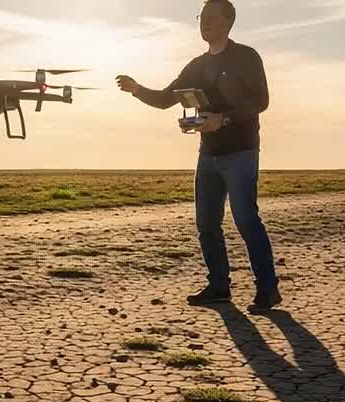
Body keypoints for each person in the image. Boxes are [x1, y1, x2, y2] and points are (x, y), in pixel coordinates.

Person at [117, 0, 281, 311]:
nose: (204, 23)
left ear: (228, 21)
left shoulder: (246, 57)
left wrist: (224, 119)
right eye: (201, 17)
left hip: (241, 151)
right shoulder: (197, 65)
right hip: (208, 154)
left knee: (246, 219)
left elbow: (260, 101)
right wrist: (137, 89)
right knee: (206, 223)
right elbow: (165, 99)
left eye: (211, 17)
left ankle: (267, 289)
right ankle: (219, 286)